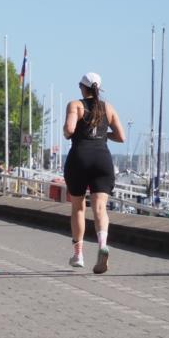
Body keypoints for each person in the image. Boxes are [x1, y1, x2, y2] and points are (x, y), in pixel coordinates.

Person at [63, 72, 125, 274]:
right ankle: (102, 245)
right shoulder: (108, 108)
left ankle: (78, 254)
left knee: (78, 207)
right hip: (102, 158)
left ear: (82, 87)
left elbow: (69, 129)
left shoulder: (75, 105)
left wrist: (69, 132)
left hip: (80, 157)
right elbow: (120, 136)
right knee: (100, 208)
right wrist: (100, 133)